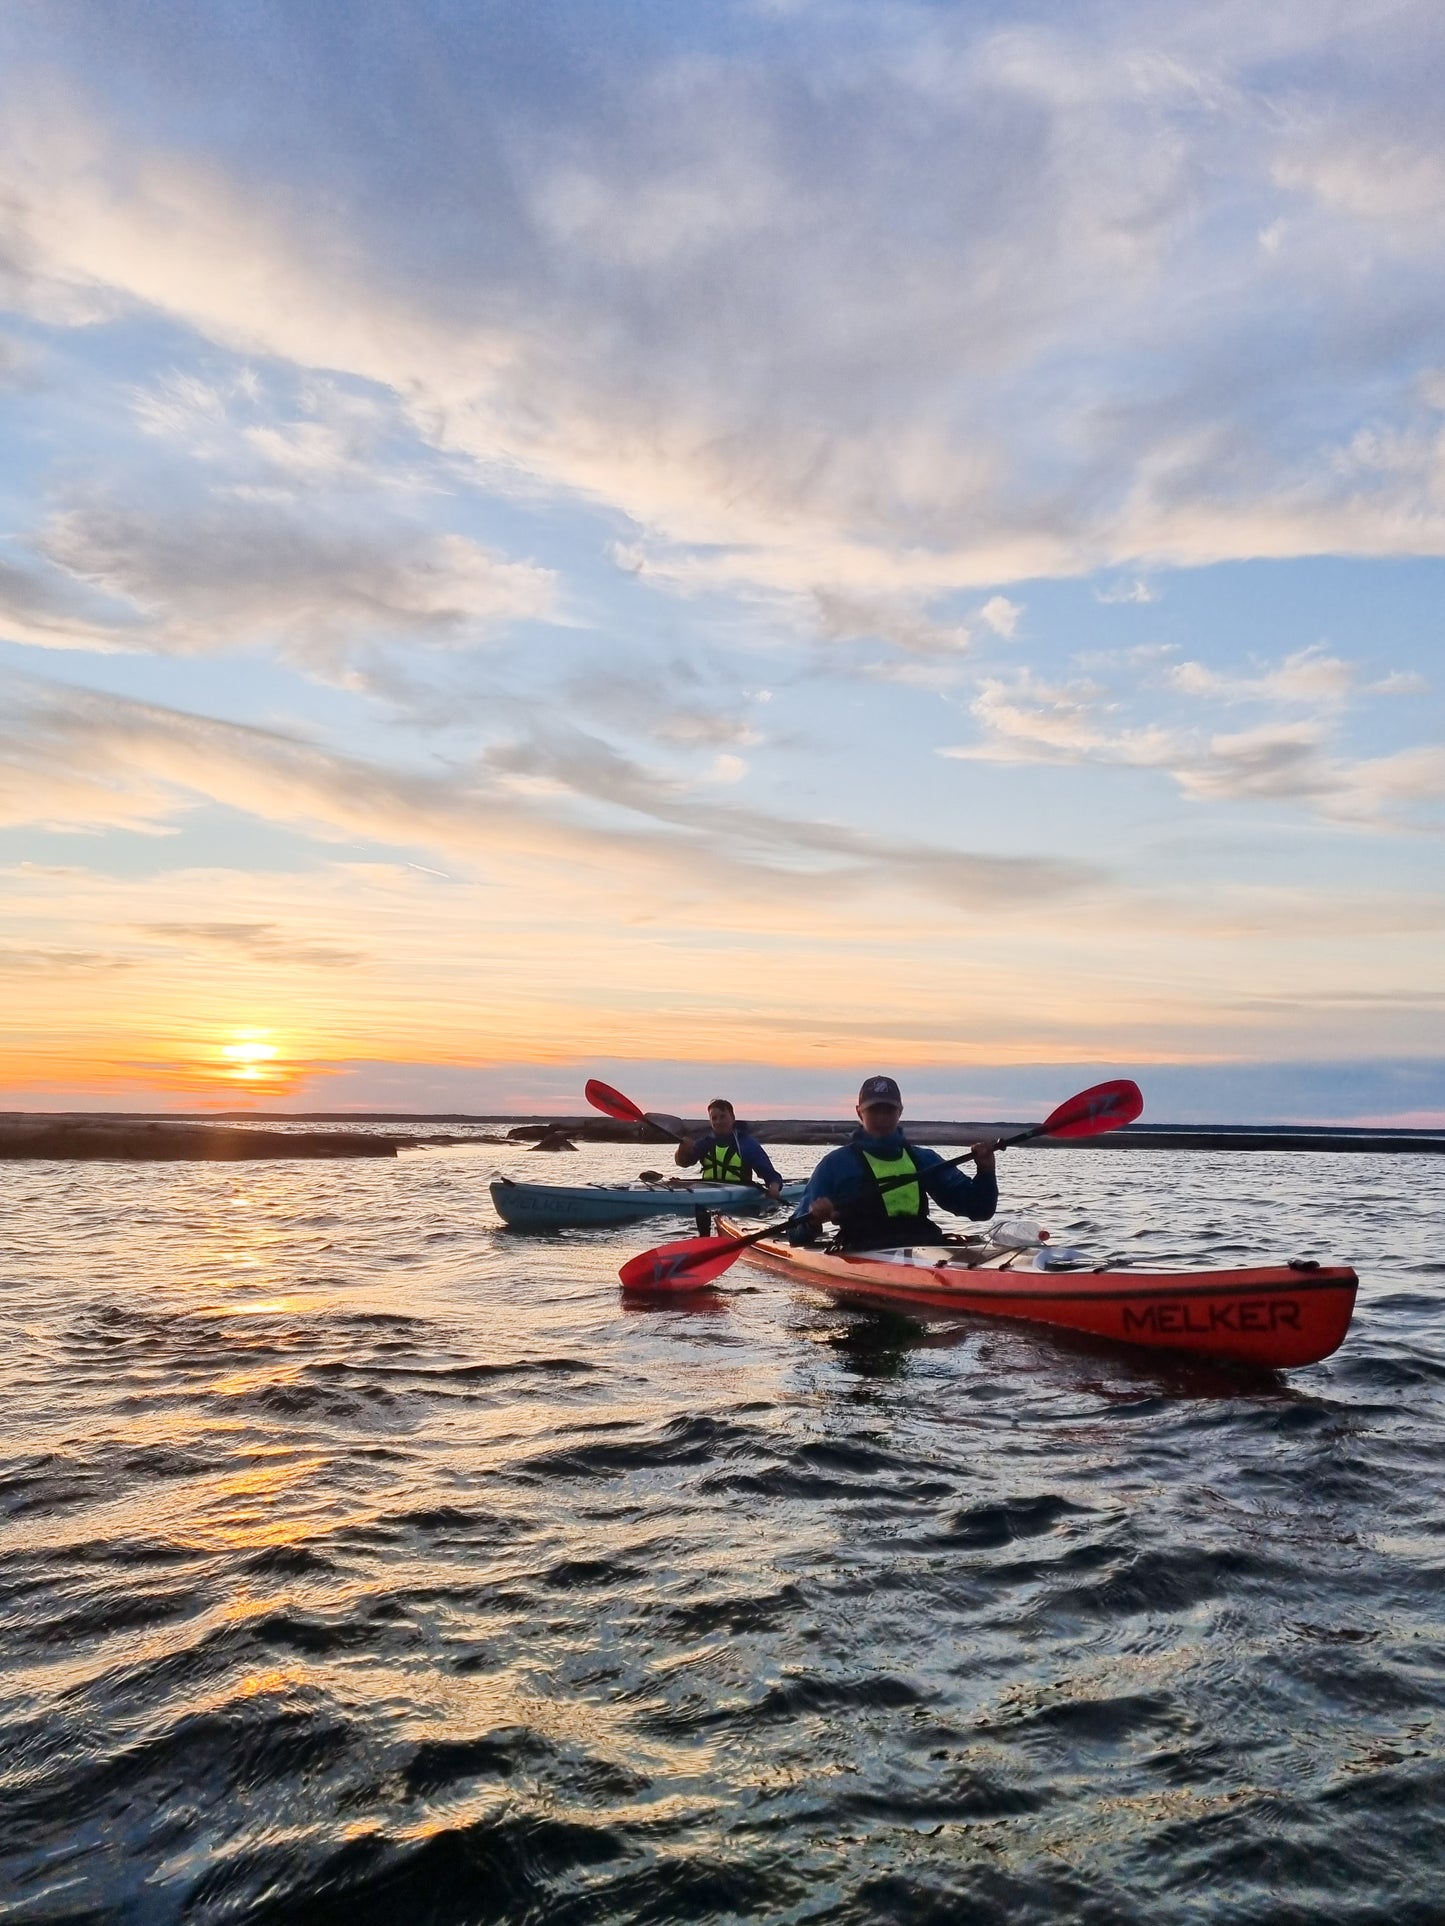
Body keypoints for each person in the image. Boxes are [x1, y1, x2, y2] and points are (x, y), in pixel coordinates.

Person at [789, 1075, 997, 1251]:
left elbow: (979, 1210)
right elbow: (795, 1236)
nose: (882, 1118)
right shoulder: (835, 1165)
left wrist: (986, 1172)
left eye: (889, 1110)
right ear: (859, 1111)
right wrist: (815, 1220)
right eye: (874, 1110)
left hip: (921, 1250)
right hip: (861, 1252)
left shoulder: (925, 1160)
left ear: (900, 1111)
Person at [675, 1098, 784, 1198]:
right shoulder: (705, 1142)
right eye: (714, 1118)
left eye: (722, 1117)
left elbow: (771, 1175)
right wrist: (683, 1148)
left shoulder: (746, 1144)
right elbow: (683, 1163)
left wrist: (774, 1188)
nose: (718, 1122)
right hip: (707, 1191)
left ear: (732, 1118)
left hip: (739, 1194)